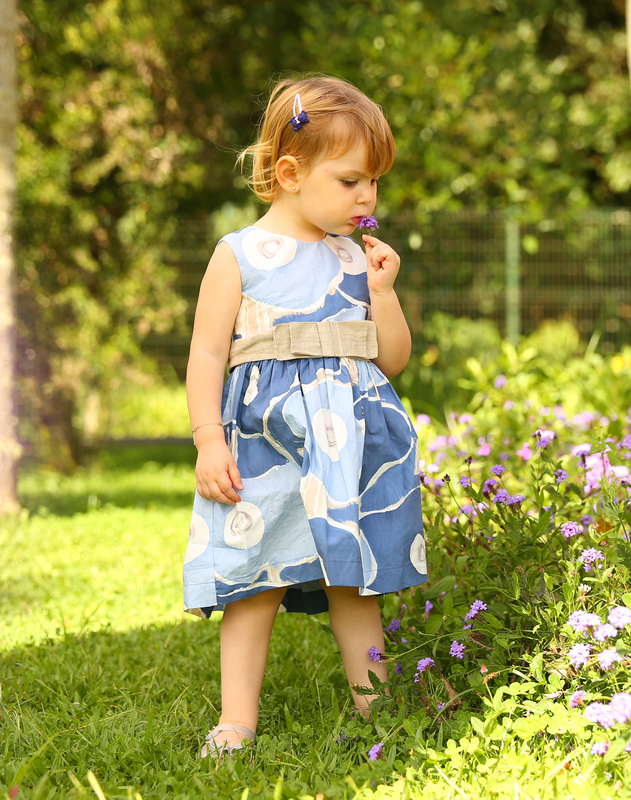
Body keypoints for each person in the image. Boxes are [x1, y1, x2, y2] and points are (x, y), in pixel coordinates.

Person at [183, 75, 427, 758]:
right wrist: (208, 439)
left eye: (374, 182)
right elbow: (207, 353)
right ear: (290, 174)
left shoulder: (356, 260)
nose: (367, 197)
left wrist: (384, 293)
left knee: (353, 579)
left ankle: (378, 711)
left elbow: (392, 359)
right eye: (351, 181)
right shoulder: (239, 255)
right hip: (266, 444)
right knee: (254, 580)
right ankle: (236, 721)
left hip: (346, 449)